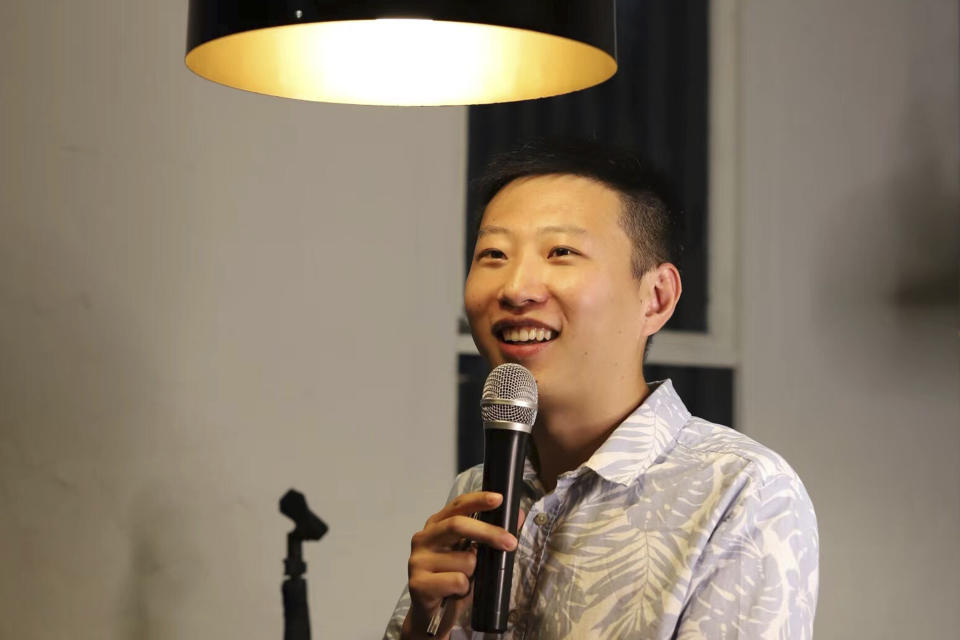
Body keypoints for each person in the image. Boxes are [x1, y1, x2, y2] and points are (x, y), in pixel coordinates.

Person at [384, 140, 819, 640]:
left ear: (655, 298)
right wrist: (423, 624)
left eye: (561, 252)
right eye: (493, 254)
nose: (515, 288)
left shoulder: (742, 492)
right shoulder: (477, 490)